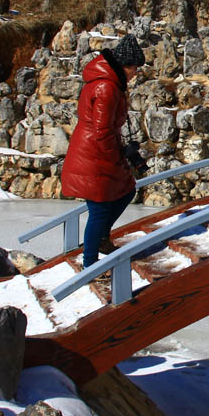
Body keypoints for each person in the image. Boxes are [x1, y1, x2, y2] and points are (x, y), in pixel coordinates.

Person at [61, 33, 147, 268]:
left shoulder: (109, 83)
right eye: (134, 68)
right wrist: (118, 158)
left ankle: (101, 240)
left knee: (126, 190)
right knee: (99, 209)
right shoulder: (107, 88)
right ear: (124, 66)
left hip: (94, 149)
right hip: (94, 154)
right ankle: (90, 265)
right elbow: (102, 132)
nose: (136, 73)